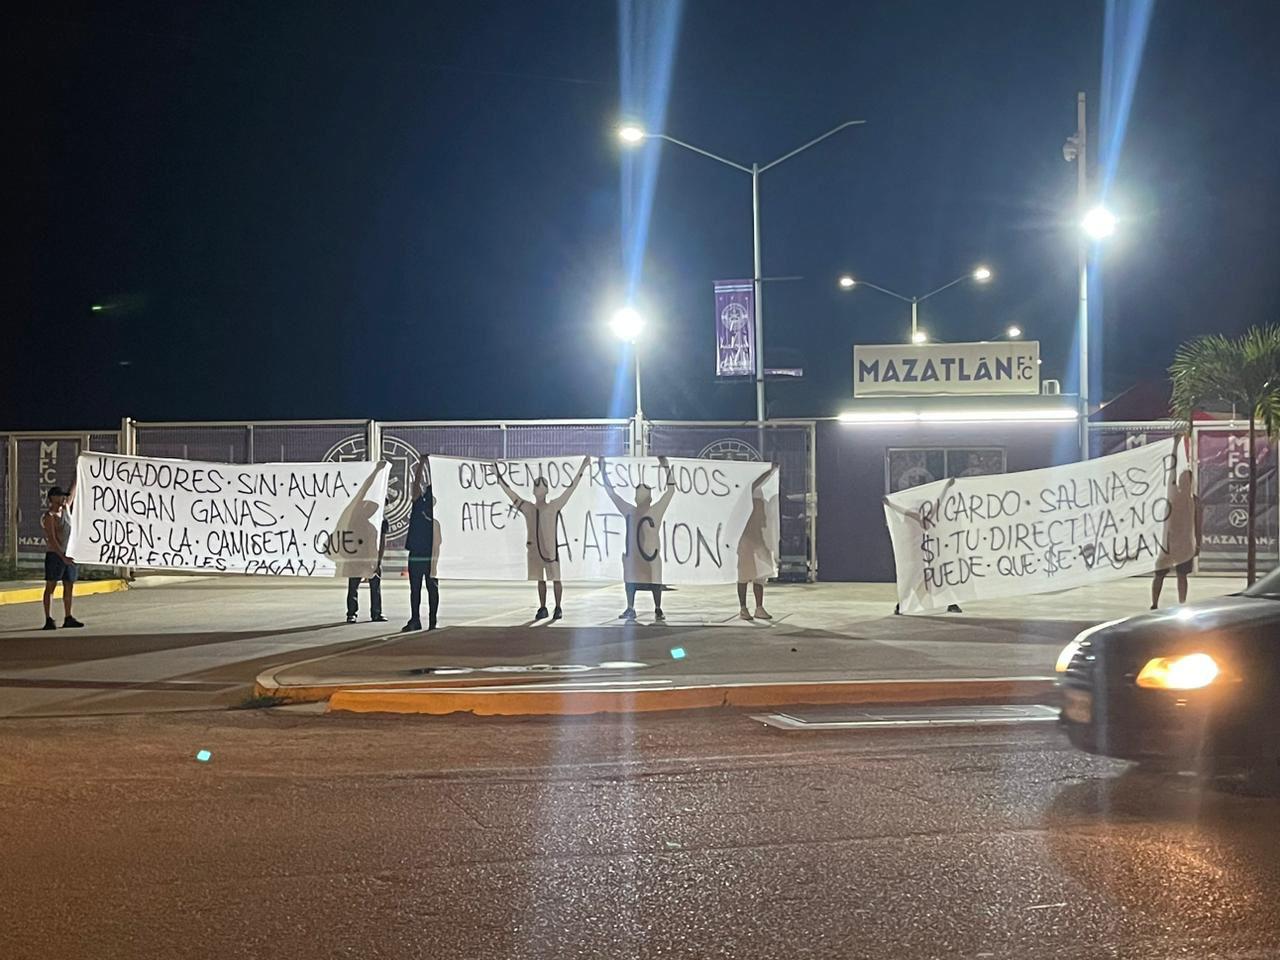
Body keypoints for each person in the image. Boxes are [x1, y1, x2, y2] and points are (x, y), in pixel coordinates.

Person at [494, 456, 590, 621]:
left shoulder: (554, 506)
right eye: (537, 486)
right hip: (535, 551)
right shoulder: (528, 508)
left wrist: (582, 467)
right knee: (540, 580)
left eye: (542, 486)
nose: (539, 489)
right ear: (533, 491)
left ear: (546, 490)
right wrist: (498, 476)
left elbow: (571, 489)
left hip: (551, 551)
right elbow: (511, 494)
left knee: (556, 579)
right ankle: (543, 606)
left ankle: (558, 607)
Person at [601, 455, 675, 622]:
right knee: (630, 580)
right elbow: (612, 494)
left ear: (649, 498)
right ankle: (630, 607)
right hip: (634, 556)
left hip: (650, 555)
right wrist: (603, 471)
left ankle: (657, 608)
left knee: (655, 580)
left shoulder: (655, 511)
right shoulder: (630, 511)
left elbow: (670, 491)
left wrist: (666, 467)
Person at [1152, 464, 1202, 609]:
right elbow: (1170, 477)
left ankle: (1181, 603)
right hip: (1169, 543)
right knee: (1160, 574)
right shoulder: (1174, 496)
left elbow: (1198, 523)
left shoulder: (1194, 501)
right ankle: (1155, 603)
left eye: (1188, 480)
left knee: (1181, 575)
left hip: (1183, 544)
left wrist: (1197, 544)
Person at [403, 454, 440, 632]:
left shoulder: (436, 514)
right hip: (421, 553)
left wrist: (424, 463)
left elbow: (416, 486)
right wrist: (422, 464)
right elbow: (415, 485)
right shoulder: (419, 504)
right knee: (419, 588)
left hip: (425, 554)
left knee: (426, 588)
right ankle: (419, 620)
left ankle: (428, 620)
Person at [737, 463, 779, 621]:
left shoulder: (761, 496)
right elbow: (754, 484)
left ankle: (759, 607)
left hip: (759, 537)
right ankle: (743, 608)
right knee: (743, 574)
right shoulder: (745, 491)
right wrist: (770, 471)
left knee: (760, 573)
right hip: (745, 538)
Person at [41, 485, 84, 630]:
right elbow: (52, 540)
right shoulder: (49, 517)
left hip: (69, 555)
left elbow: (72, 493)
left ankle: (68, 616)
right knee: (51, 586)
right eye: (60, 496)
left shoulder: (66, 509)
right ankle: (48, 618)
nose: (63, 498)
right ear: (52, 498)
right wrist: (62, 556)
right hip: (55, 555)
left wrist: (79, 472)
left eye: (63, 496)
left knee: (69, 585)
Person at [346, 503, 389, 623]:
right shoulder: (357, 522)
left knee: (371, 586)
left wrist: (378, 562)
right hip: (358, 558)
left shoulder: (381, 522)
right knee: (355, 586)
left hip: (369, 558)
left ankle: (372, 613)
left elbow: (382, 543)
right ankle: (353, 612)